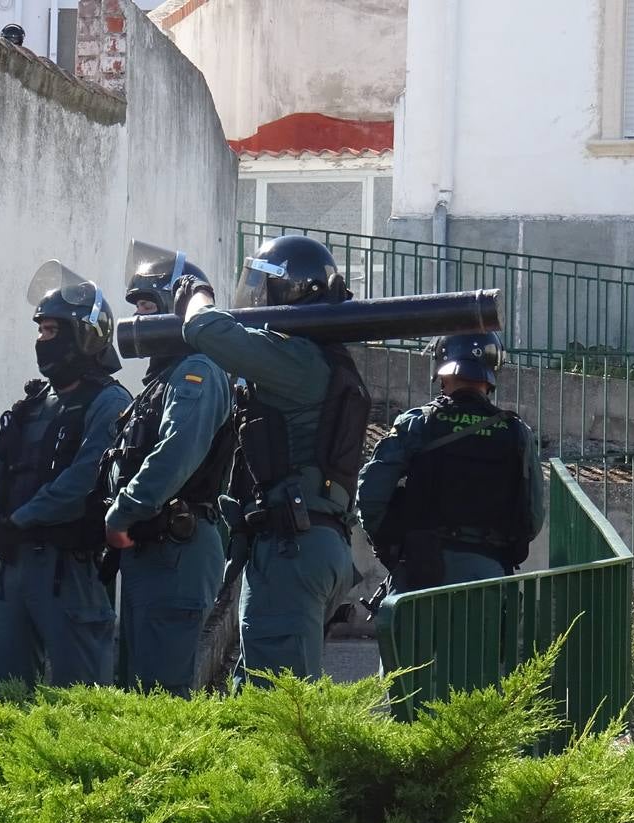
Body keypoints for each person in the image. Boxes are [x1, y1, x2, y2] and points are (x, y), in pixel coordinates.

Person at [176, 235, 371, 687]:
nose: (257, 297)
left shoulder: (298, 360)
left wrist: (197, 298)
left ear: (291, 291)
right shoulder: (325, 360)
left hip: (292, 546)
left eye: (264, 286)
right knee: (274, 689)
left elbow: (206, 331)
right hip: (312, 541)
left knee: (274, 705)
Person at [0, 262, 131, 688]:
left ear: (84, 336)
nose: (40, 340)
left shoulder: (109, 402)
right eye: (39, 330)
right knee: (4, 693)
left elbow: (84, 479)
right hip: (15, 563)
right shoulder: (36, 402)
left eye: (50, 331)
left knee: (81, 695)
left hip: (67, 567)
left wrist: (18, 521)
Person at [101, 242, 234, 698]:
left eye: (146, 305)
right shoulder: (163, 380)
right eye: (136, 306)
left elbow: (179, 449)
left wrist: (123, 511)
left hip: (177, 543)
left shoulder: (197, 369)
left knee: (161, 694)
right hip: (154, 545)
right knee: (141, 689)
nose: (138, 317)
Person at [357, 332, 544, 594]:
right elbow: (532, 517)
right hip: (490, 573)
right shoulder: (517, 432)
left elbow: (370, 494)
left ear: (442, 373)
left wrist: (392, 545)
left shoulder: (417, 423)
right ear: (491, 375)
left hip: (422, 572)